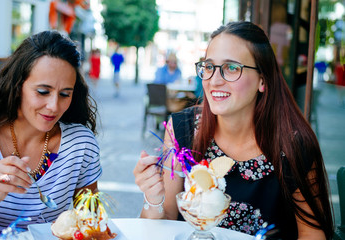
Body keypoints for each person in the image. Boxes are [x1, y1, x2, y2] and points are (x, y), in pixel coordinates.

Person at [133, 21, 334, 239]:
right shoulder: (183, 129)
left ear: (262, 80)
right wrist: (153, 198)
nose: (214, 81)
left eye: (231, 68)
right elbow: (162, 224)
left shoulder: (294, 146)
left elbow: (313, 235)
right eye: (209, 67)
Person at [0, 30, 102, 238]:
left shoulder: (80, 144)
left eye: (65, 94)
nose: (53, 106)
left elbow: (91, 222)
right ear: (18, 85)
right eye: (43, 92)